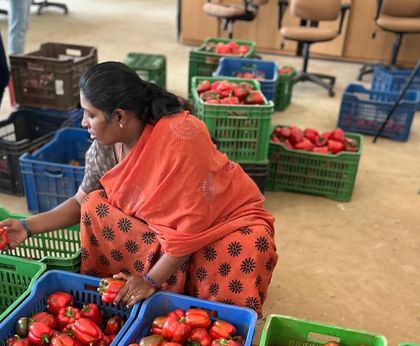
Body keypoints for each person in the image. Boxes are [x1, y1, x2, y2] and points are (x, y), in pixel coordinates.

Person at [0, 61, 278, 316]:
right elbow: (79, 201)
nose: (83, 122)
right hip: (165, 234)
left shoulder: (182, 136)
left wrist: (150, 280)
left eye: (90, 114)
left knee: (250, 246)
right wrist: (26, 227)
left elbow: (191, 227)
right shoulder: (105, 147)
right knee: (95, 206)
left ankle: (200, 308)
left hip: (219, 224)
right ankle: (134, 296)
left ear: (119, 116)